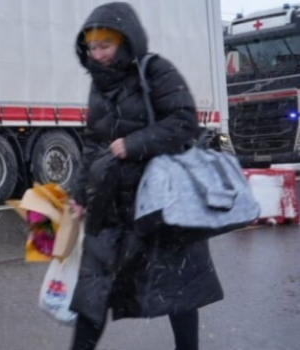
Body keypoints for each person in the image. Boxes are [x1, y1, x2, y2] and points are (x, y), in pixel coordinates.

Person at [69, 2, 224, 350]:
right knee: (93, 293)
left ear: (125, 40)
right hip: (111, 206)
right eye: (92, 47)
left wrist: (135, 143)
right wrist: (79, 194)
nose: (98, 54)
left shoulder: (155, 71)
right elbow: (93, 144)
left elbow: (184, 123)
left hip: (160, 204)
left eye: (104, 45)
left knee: (179, 291)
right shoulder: (99, 86)